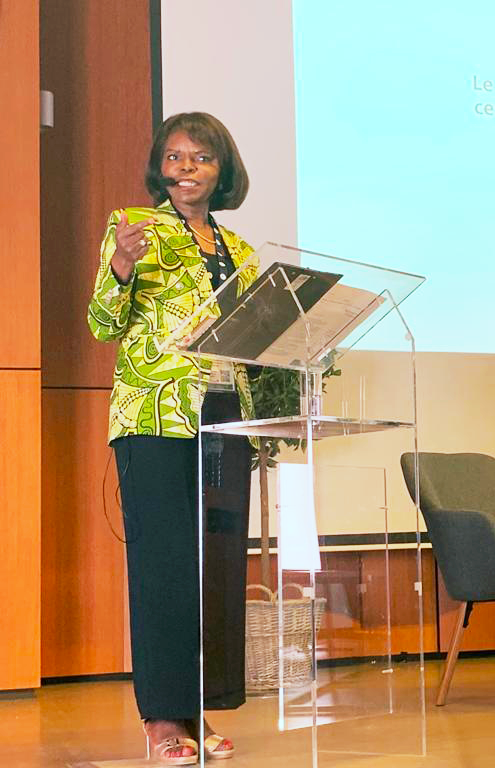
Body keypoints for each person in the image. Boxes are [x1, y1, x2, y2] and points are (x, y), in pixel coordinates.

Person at [87, 112, 258, 765]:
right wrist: (121, 270)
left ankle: (197, 709)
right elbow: (103, 322)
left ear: (223, 171)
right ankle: (162, 720)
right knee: (164, 567)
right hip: (154, 415)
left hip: (222, 418)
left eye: (201, 157)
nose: (186, 167)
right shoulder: (133, 228)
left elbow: (248, 340)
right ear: (161, 166)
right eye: (175, 156)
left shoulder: (238, 250)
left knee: (212, 571)